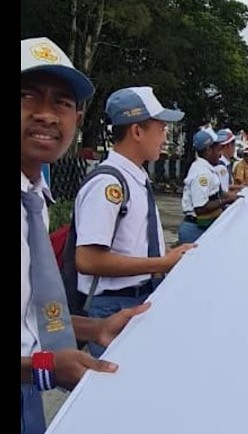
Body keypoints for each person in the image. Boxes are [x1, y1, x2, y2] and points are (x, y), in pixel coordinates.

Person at [21, 37, 150, 434]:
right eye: (28, 97)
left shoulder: (33, 198)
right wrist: (44, 369)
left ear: (76, 118)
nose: (46, 115)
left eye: (62, 103)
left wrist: (94, 329)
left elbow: (29, 314)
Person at [73, 86, 196, 357]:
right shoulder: (109, 184)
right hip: (111, 305)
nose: (165, 137)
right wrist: (162, 263)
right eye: (161, 128)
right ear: (137, 131)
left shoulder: (135, 178)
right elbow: (88, 260)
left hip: (135, 296)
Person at [178, 129, 238, 244]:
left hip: (202, 226)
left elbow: (217, 192)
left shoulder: (207, 169)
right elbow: (200, 207)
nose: (220, 154)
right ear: (208, 150)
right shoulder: (202, 174)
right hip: (195, 229)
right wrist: (226, 200)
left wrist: (236, 197)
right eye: (218, 149)